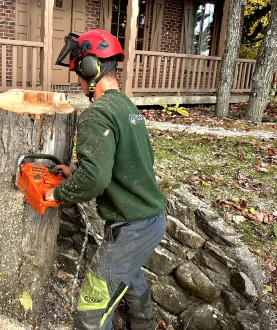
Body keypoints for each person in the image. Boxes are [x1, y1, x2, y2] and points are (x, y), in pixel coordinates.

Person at [45, 29, 167, 330]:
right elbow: (131, 162)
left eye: (78, 72)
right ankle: (145, 325)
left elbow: (96, 181)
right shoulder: (126, 107)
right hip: (151, 219)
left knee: (93, 304)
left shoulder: (97, 114)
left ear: (91, 68)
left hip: (133, 226)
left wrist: (58, 193)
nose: (77, 80)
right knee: (130, 275)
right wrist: (77, 171)